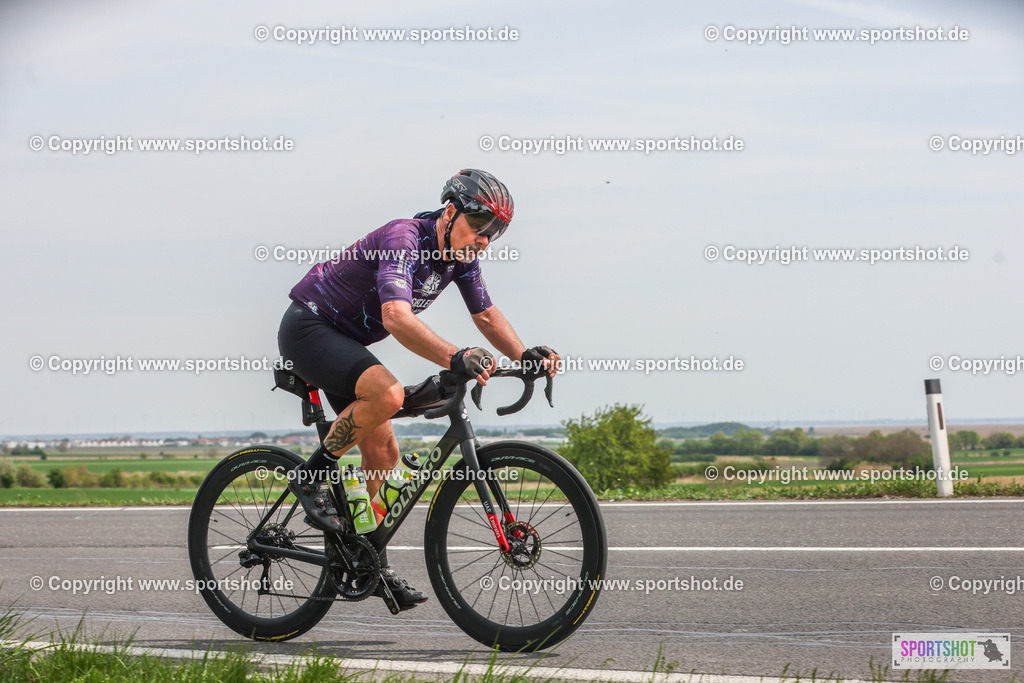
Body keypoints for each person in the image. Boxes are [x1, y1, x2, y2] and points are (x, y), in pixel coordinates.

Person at [277, 168, 560, 610]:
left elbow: (485, 315)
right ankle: (311, 476)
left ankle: (365, 558)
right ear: (450, 212)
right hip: (309, 327)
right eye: (478, 227)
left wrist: (524, 355)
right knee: (388, 396)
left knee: (385, 454)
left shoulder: (460, 256)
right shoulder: (404, 238)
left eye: (494, 234)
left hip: (346, 341)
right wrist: (454, 356)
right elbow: (395, 317)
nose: (483, 240)